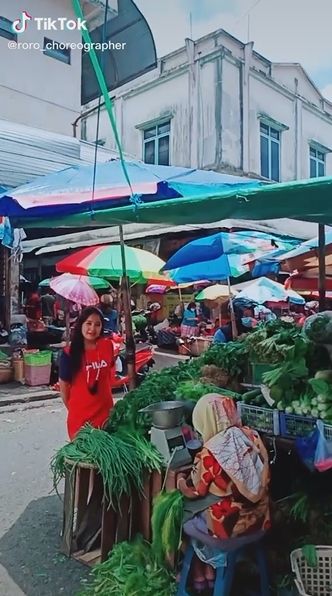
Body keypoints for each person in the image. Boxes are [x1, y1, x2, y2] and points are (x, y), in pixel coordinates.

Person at [177, 394, 270, 591]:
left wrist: (179, 483)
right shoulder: (252, 437)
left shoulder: (209, 453)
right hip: (261, 522)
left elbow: (196, 492)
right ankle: (207, 571)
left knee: (181, 513)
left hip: (229, 532)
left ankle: (200, 572)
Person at [58, 307, 115, 440]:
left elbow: (108, 376)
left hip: (106, 416)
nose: (92, 329)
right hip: (81, 420)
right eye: (88, 323)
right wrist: (74, 410)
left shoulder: (107, 346)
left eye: (97, 324)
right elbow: (64, 388)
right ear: (81, 324)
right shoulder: (69, 353)